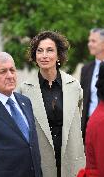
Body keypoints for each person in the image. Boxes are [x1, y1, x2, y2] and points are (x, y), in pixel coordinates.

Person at [18, 31, 85, 177]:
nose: (44, 55)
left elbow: (78, 121)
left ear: (58, 55)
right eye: (39, 51)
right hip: (41, 160)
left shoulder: (74, 86)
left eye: (50, 50)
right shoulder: (24, 89)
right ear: (35, 55)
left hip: (71, 159)